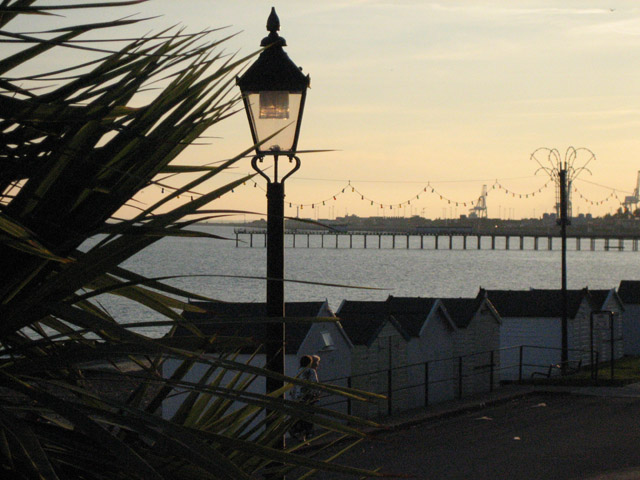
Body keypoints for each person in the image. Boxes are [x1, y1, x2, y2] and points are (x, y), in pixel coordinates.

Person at [290, 354, 320, 441]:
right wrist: (316, 396)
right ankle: (306, 436)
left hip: (297, 398)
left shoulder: (298, 371)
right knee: (309, 418)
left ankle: (298, 433)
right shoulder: (311, 371)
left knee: (300, 417)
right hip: (307, 398)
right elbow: (314, 384)